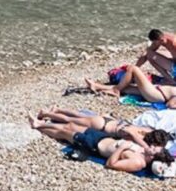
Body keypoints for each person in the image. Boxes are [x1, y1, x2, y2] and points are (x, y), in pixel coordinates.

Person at [28, 113, 174, 175]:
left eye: (155, 149)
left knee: (64, 132)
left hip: (94, 146)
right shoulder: (143, 151)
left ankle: (39, 126)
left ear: (154, 157)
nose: (152, 147)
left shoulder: (138, 163)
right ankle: (42, 122)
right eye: (154, 146)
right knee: (71, 125)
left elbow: (111, 164)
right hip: (103, 137)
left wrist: (122, 147)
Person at [32, 107, 173, 154]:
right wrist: (145, 146)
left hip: (110, 121)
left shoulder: (148, 128)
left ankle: (55, 110)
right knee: (70, 121)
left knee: (78, 115)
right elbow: (130, 133)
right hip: (102, 125)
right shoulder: (139, 136)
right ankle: (47, 114)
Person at [86, 64, 176, 108]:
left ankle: (115, 90)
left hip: (156, 94)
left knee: (133, 69)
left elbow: (170, 105)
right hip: (156, 91)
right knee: (125, 88)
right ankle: (96, 86)